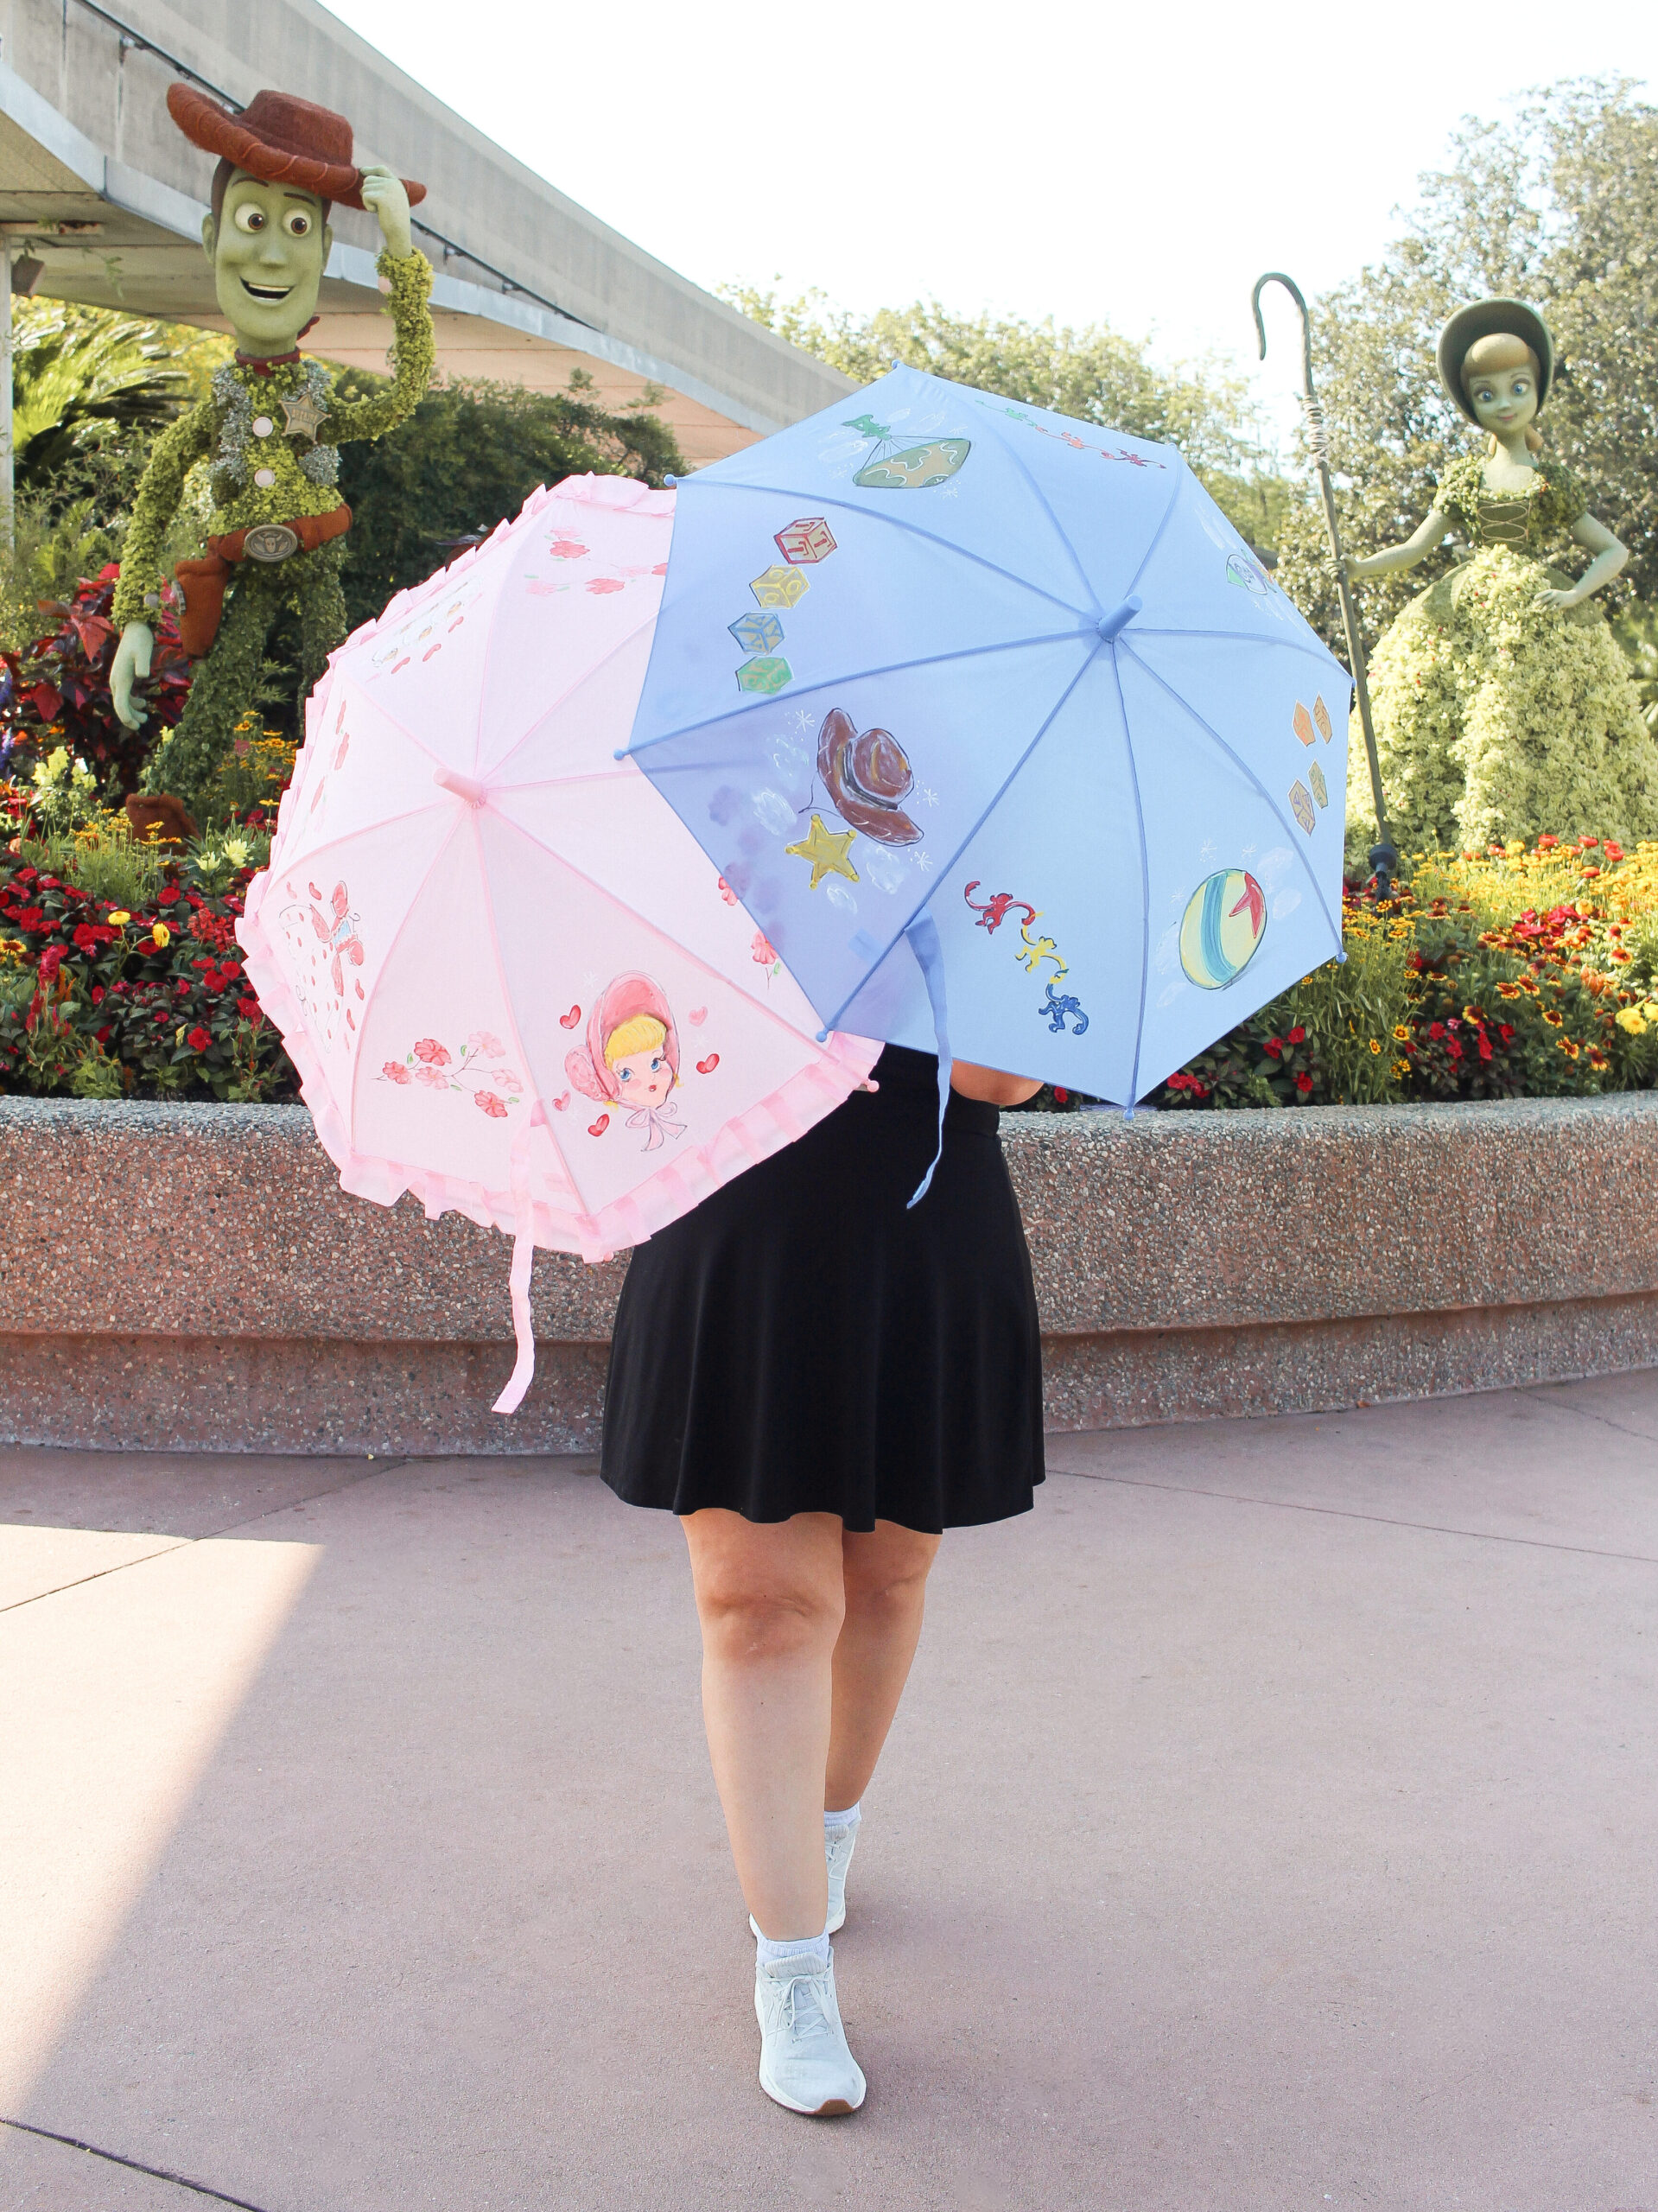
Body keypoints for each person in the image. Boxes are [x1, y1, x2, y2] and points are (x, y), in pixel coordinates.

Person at [600, 1043, 1045, 2114]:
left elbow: (997, 1083)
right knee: (758, 1611)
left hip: (923, 1217)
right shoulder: (690, 864)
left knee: (887, 1578)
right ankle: (791, 1967)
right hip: (731, 1215)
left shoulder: (981, 871)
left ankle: (824, 1832)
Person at [1344, 297, 1658, 855]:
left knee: (1536, 723)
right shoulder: (1466, 478)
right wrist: (1360, 567)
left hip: (1541, 618)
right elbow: (1417, 547)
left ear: (1537, 389)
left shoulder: (1553, 481)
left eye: (1518, 387)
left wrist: (1577, 592)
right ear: (1471, 403)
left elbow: (1614, 550)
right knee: (1439, 720)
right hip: (1462, 613)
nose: (1505, 403)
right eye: (1487, 394)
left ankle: (1552, 847)